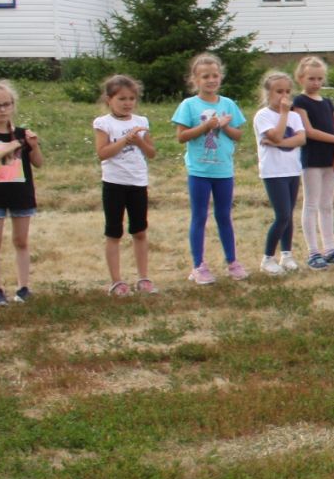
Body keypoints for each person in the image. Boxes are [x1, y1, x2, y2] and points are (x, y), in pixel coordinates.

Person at [171, 52, 248, 284]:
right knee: (199, 216)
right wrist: (206, 126)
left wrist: (224, 127)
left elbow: (238, 134)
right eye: (205, 76)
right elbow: (181, 137)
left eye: (215, 75)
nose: (211, 80)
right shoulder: (189, 105)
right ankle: (198, 265)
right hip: (199, 172)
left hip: (224, 171)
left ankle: (232, 262)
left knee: (224, 215)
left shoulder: (228, 104)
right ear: (195, 80)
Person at [93, 74, 156, 296]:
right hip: (114, 184)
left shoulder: (141, 122)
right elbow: (102, 153)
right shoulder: (103, 123)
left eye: (131, 98)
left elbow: (151, 152)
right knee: (114, 232)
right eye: (122, 98)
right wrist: (124, 141)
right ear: (109, 99)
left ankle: (143, 277)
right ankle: (117, 281)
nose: (127, 103)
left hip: (137, 183)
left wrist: (139, 140)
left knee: (139, 230)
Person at [292, 56, 334, 270]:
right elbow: (309, 131)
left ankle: (330, 249)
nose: (316, 83)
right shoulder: (299, 102)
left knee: (327, 204)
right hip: (312, 159)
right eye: (311, 78)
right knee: (311, 204)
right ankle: (313, 251)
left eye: (319, 79)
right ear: (300, 78)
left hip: (329, 159)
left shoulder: (327, 102)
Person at [0, 81, 43, 305]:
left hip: (21, 194)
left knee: (21, 241)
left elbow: (38, 163)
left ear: (13, 105)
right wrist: (9, 148)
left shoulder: (22, 133)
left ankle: (23, 287)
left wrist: (34, 145)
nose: (2, 109)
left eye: (6, 104)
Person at [254, 71, 309, 275]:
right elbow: (275, 134)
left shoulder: (295, 116)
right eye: (279, 91)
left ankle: (286, 254)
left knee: (289, 215)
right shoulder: (263, 116)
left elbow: (300, 139)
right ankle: (267, 258)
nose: (284, 96)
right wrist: (284, 115)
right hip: (273, 172)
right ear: (268, 93)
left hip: (292, 169)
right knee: (282, 215)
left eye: (287, 91)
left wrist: (281, 142)